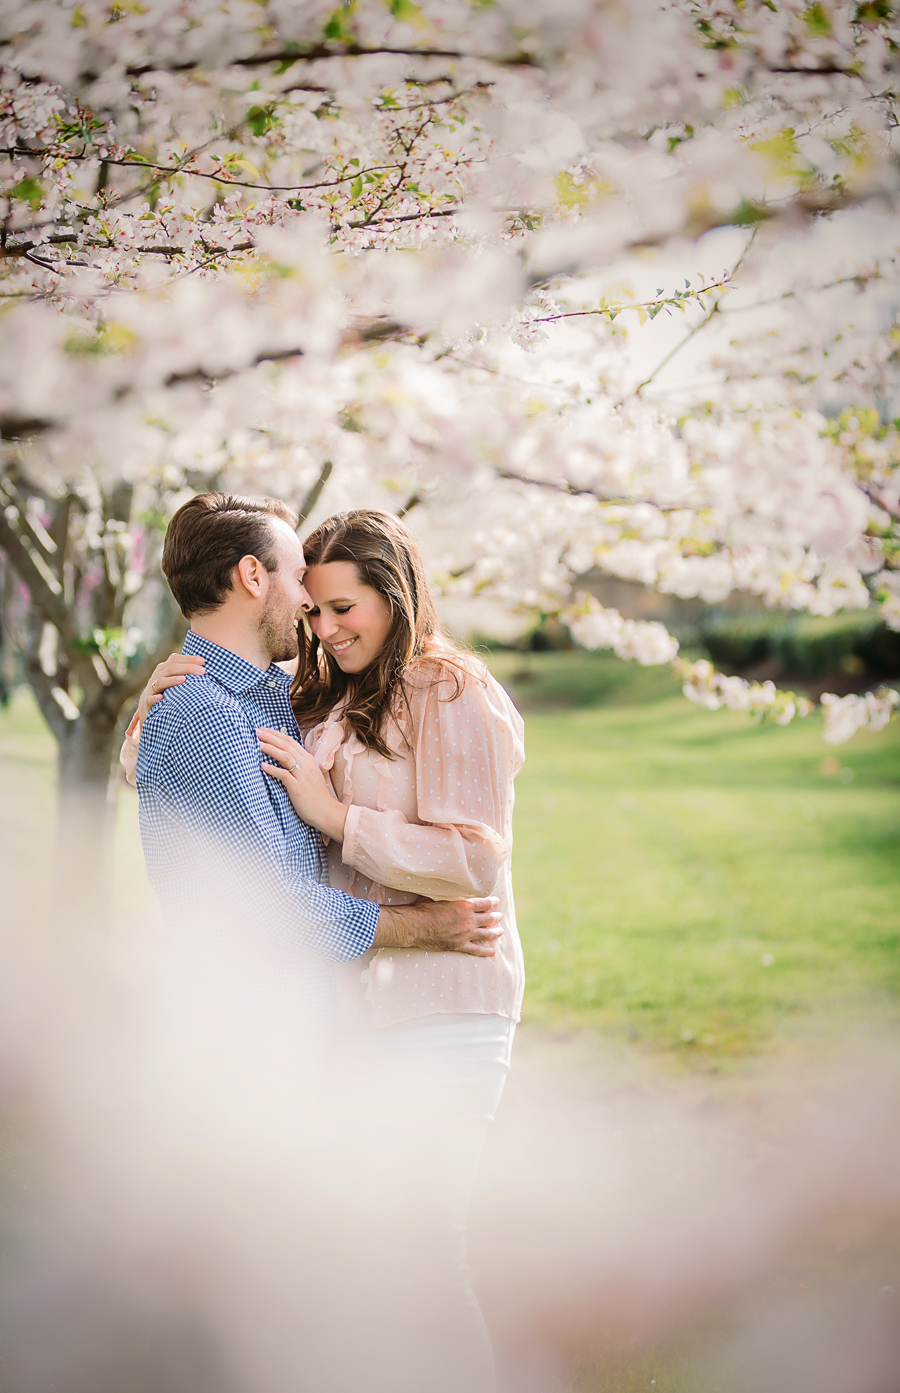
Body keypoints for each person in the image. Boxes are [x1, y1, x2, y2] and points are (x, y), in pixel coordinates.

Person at [126, 504, 525, 1393]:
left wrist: (342, 819)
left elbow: (474, 858)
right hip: (348, 1011)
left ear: (396, 596)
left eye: (346, 607)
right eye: (316, 607)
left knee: (427, 1252)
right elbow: (204, 761)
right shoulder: (320, 696)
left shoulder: (450, 688)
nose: (326, 624)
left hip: (441, 1002)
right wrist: (150, 711)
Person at [123, 493, 503, 1044]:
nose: (309, 606)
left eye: (337, 605)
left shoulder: (273, 698)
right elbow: (269, 905)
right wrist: (420, 928)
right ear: (253, 575)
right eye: (301, 579)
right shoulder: (205, 714)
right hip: (249, 1030)